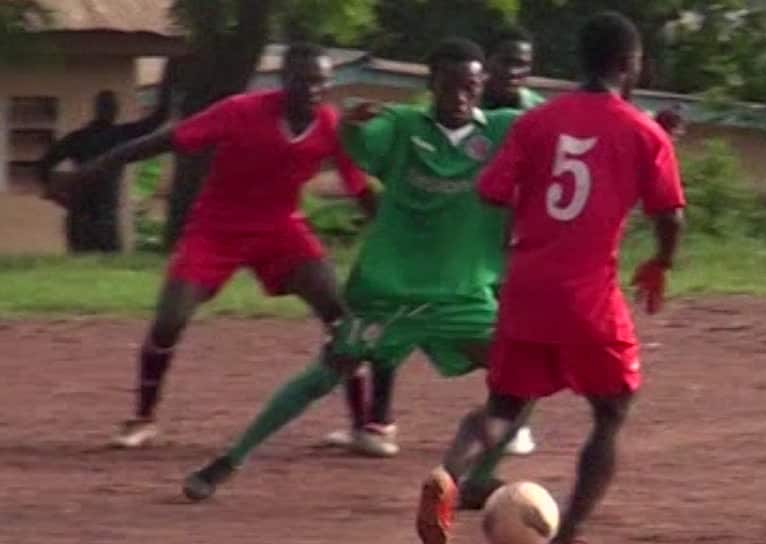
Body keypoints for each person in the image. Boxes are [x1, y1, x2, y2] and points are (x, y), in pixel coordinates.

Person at [180, 37, 527, 499]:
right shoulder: (403, 126)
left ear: (483, 86)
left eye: (470, 86)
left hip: (461, 296)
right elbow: (360, 140)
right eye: (449, 86)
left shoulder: (505, 130)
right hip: (389, 295)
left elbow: (565, 133)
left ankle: (478, 478)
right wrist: (354, 126)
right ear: (431, 85)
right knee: (327, 372)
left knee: (526, 374)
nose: (460, 97)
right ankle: (230, 459)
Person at [414, 11, 686, 544]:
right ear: (629, 64)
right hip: (588, 294)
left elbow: (491, 190)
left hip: (526, 287)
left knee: (502, 408)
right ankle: (569, 541)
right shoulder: (643, 131)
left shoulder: (536, 122)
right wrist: (660, 262)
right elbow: (671, 214)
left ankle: (449, 474)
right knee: (611, 410)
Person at [69, 43, 375, 449]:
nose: (313, 90)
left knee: (340, 316)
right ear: (284, 81)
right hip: (216, 227)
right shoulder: (241, 111)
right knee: (170, 319)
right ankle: (142, 418)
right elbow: (170, 140)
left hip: (280, 228)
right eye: (303, 81)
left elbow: (360, 189)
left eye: (321, 82)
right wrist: (104, 162)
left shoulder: (331, 126)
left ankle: (361, 425)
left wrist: (397, 231)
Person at [329, 25, 546, 458]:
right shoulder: (438, 115)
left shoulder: (533, 115)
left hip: (507, 243)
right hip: (448, 249)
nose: (514, 73)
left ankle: (511, 419)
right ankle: (379, 418)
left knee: (512, 336)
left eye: (522, 65)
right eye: (506, 62)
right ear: (487, 69)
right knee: (392, 325)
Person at [39, 61, 179, 252]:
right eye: (111, 107)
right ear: (108, 110)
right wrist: (169, 81)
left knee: (84, 265)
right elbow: (157, 120)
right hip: (101, 215)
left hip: (82, 214)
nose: (113, 110)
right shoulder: (117, 135)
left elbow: (43, 166)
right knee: (105, 260)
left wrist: (56, 193)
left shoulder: (78, 138)